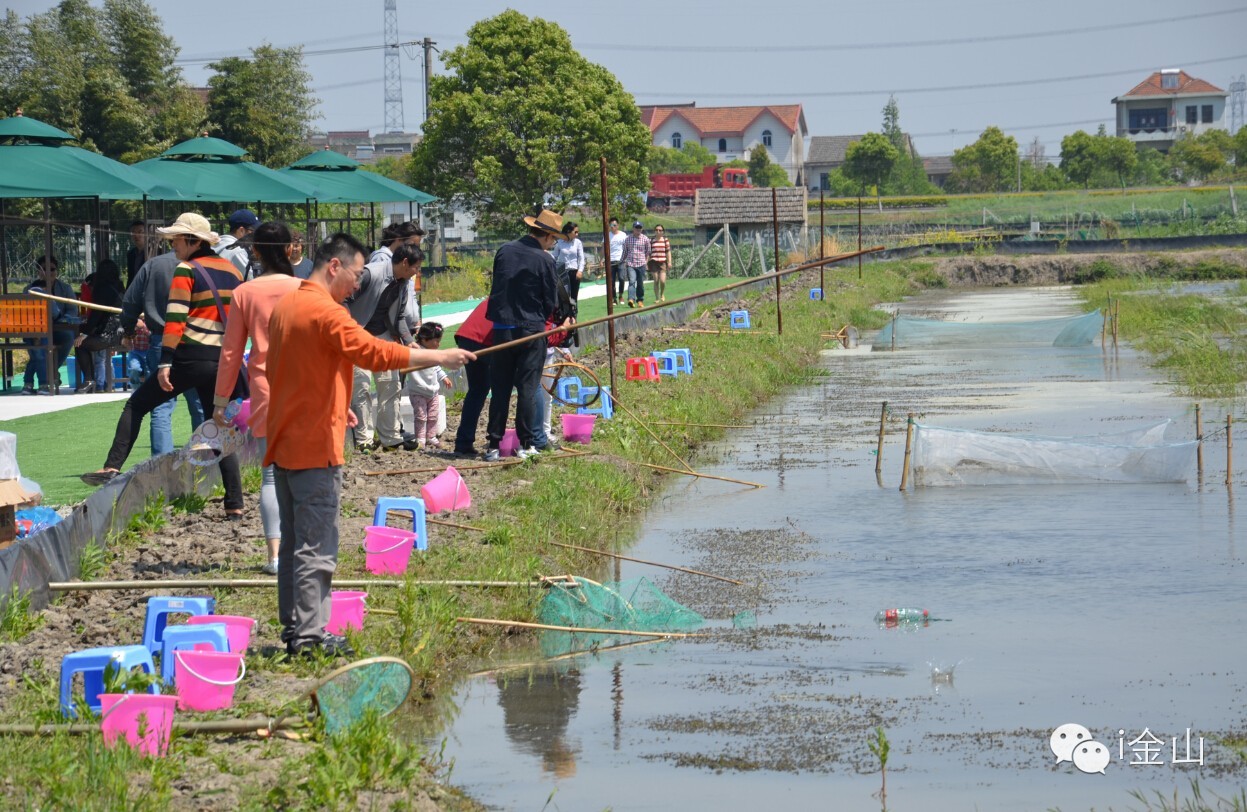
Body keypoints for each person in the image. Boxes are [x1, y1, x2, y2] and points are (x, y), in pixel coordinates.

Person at [264, 232, 473, 657]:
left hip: (286, 438)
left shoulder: (287, 304)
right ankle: (308, 640)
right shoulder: (327, 311)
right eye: (357, 274)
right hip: (314, 445)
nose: (359, 285)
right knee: (316, 545)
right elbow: (375, 354)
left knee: (293, 542)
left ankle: (296, 630)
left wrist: (340, 403)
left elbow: (290, 368)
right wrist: (440, 356)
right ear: (335, 266)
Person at [81, 212, 246, 521]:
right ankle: (234, 502)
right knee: (219, 425)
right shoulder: (233, 272)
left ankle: (112, 466)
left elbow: (175, 320)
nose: (173, 245)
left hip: (189, 356)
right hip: (222, 360)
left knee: (136, 404)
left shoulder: (186, 269)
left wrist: (166, 361)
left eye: (177, 240)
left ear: (193, 241)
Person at [213, 221, 303, 576]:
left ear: (255, 251)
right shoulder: (305, 289)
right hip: (306, 388)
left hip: (265, 387)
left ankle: (275, 556)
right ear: (289, 250)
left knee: (270, 477)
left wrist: (221, 400)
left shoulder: (245, 293)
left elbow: (232, 352)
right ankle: (302, 552)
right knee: (305, 474)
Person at [484, 209, 562, 462]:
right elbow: (551, 300)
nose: (554, 243)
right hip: (530, 331)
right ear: (548, 236)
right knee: (528, 388)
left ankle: (493, 445)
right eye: (555, 238)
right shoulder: (545, 259)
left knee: (501, 389)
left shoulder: (504, 250)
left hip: (502, 329)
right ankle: (526, 444)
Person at [118, 242, 206, 455]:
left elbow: (130, 302)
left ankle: (161, 463)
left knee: (161, 406)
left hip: (161, 338)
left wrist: (128, 332)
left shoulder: (154, 265)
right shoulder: (205, 264)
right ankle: (206, 459)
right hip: (198, 340)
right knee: (200, 404)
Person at [347, 243, 423, 452]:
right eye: (416, 267)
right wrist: (347, 329)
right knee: (360, 387)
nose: (417, 272)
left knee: (391, 384)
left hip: (383, 337)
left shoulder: (402, 283)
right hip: (357, 336)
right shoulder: (371, 273)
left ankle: (390, 437)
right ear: (405, 263)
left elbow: (398, 317)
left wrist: (409, 341)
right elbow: (344, 298)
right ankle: (364, 440)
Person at [21, 255, 77, 395]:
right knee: (38, 351)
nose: (48, 272)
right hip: (35, 329)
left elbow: (73, 310)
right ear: (38, 271)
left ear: (56, 270)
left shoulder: (65, 288)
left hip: (58, 328)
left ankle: (47, 373)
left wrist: (63, 319)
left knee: (68, 336)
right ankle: (45, 380)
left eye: (52, 269)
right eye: (45, 269)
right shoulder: (29, 289)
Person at [75, 258, 126, 393]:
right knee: (94, 351)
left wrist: (84, 333)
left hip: (107, 335)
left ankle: (89, 380)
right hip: (120, 332)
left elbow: (96, 314)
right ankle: (96, 381)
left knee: (80, 344)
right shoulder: (120, 286)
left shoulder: (101, 288)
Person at [452, 300, 493, 457]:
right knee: (501, 387)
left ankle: (463, 442)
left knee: (478, 389)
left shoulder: (500, 291)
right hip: (482, 340)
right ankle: (496, 440)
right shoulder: (514, 296)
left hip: (466, 337)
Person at [403, 322, 452, 451]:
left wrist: (444, 377)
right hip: (418, 391)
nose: (438, 344)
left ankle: (431, 436)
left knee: (433, 415)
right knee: (420, 416)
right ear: (424, 339)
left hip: (433, 391)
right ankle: (420, 439)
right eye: (436, 341)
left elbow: (436, 367)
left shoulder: (432, 353)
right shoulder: (414, 351)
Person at [215, 209, 259, 278]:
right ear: (241, 231)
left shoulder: (216, 244)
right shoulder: (238, 251)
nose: (256, 235)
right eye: (254, 231)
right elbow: (251, 280)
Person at [620, 221, 652, 308]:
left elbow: (648, 252)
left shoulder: (645, 239)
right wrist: (621, 261)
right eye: (636, 228)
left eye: (640, 228)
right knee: (632, 281)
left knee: (640, 283)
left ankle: (640, 300)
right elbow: (625, 252)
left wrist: (646, 262)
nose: (638, 229)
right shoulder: (627, 239)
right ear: (633, 229)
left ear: (642, 229)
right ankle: (631, 299)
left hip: (641, 264)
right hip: (631, 264)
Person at [553, 221, 585, 302]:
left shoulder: (578, 242)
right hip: (562, 273)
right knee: (563, 296)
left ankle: (573, 314)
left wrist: (580, 271)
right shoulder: (559, 242)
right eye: (575, 232)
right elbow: (554, 257)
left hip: (574, 272)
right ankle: (564, 314)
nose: (577, 234)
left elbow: (581, 258)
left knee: (574, 297)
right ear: (568, 231)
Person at [649, 224, 672, 303]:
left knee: (662, 281)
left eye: (660, 230)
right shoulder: (651, 240)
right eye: (656, 230)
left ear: (663, 232)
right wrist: (646, 262)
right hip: (653, 262)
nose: (658, 231)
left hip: (662, 262)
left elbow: (668, 252)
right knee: (656, 280)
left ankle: (662, 294)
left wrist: (669, 262)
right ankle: (657, 298)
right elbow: (649, 253)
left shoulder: (665, 240)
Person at [607, 218, 627, 306]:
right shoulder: (607, 235)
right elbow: (604, 248)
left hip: (621, 261)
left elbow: (627, 247)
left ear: (617, 225)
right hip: (610, 261)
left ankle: (621, 295)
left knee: (622, 279)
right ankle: (614, 298)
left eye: (614, 225)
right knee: (611, 281)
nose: (613, 227)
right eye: (611, 225)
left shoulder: (623, 235)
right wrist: (601, 260)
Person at [125, 220, 147, 290]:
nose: (136, 236)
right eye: (133, 232)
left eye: (140, 232)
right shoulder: (130, 254)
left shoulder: (154, 252)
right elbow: (130, 277)